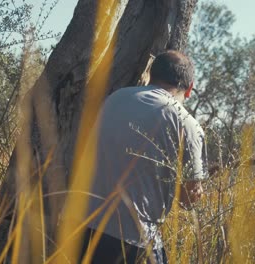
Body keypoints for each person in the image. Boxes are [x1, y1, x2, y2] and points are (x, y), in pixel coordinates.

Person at [80, 50, 208, 263]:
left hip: (81, 227)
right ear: (189, 88)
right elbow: (187, 200)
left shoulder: (115, 98)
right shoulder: (187, 124)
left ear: (150, 74)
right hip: (131, 240)